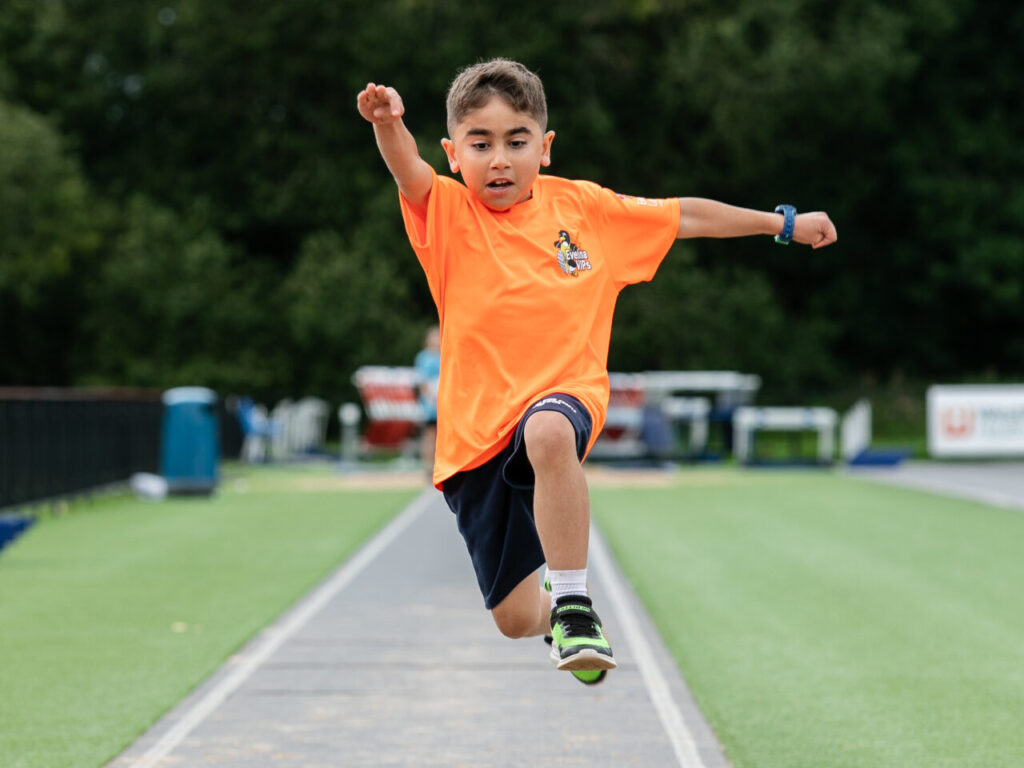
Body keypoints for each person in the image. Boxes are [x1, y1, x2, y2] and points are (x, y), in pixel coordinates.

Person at [356, 59, 836, 685]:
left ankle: (576, 603)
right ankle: (555, 618)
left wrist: (781, 224)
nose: (499, 159)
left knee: (549, 432)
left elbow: (683, 215)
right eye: (481, 144)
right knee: (512, 616)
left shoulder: (585, 209)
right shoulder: (446, 213)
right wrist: (389, 123)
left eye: (516, 141)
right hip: (475, 434)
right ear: (453, 153)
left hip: (565, 395)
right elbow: (405, 168)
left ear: (545, 148)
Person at [414, 325, 441, 477]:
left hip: (444, 403)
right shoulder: (423, 357)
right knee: (430, 435)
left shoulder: (445, 353)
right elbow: (422, 381)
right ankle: (427, 467)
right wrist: (430, 398)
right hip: (430, 404)